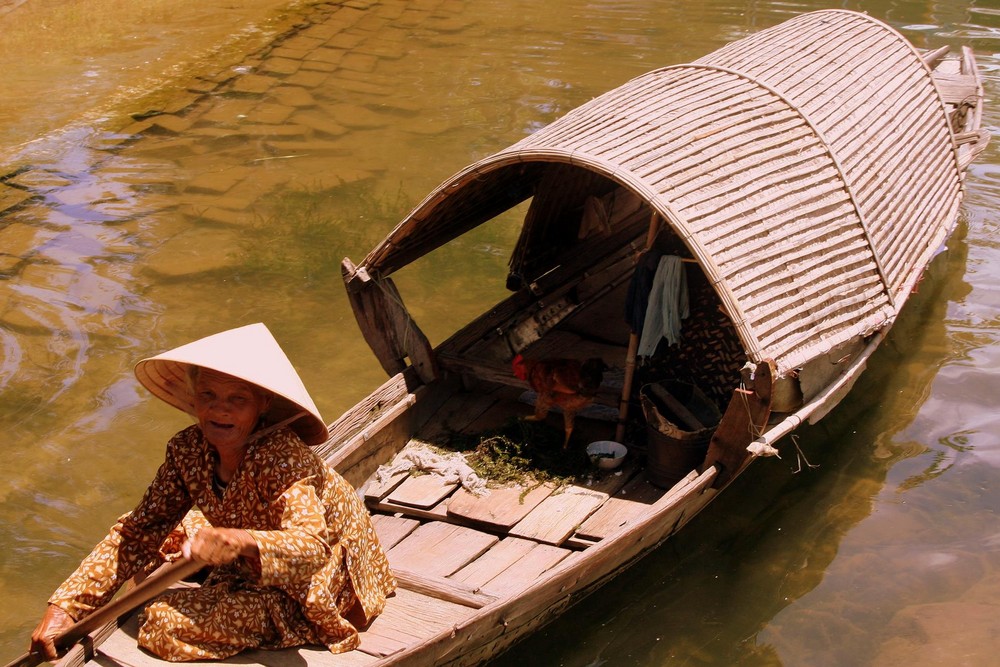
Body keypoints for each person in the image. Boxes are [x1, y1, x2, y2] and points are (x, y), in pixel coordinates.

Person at [29, 323, 395, 662]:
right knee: (168, 536)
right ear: (193, 397)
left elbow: (312, 549)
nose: (220, 409)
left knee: (161, 623)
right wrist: (67, 608)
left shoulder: (283, 458)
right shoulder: (187, 450)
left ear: (262, 405)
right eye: (208, 394)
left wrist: (240, 541)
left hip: (315, 571)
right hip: (254, 540)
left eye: (237, 399)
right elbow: (138, 531)